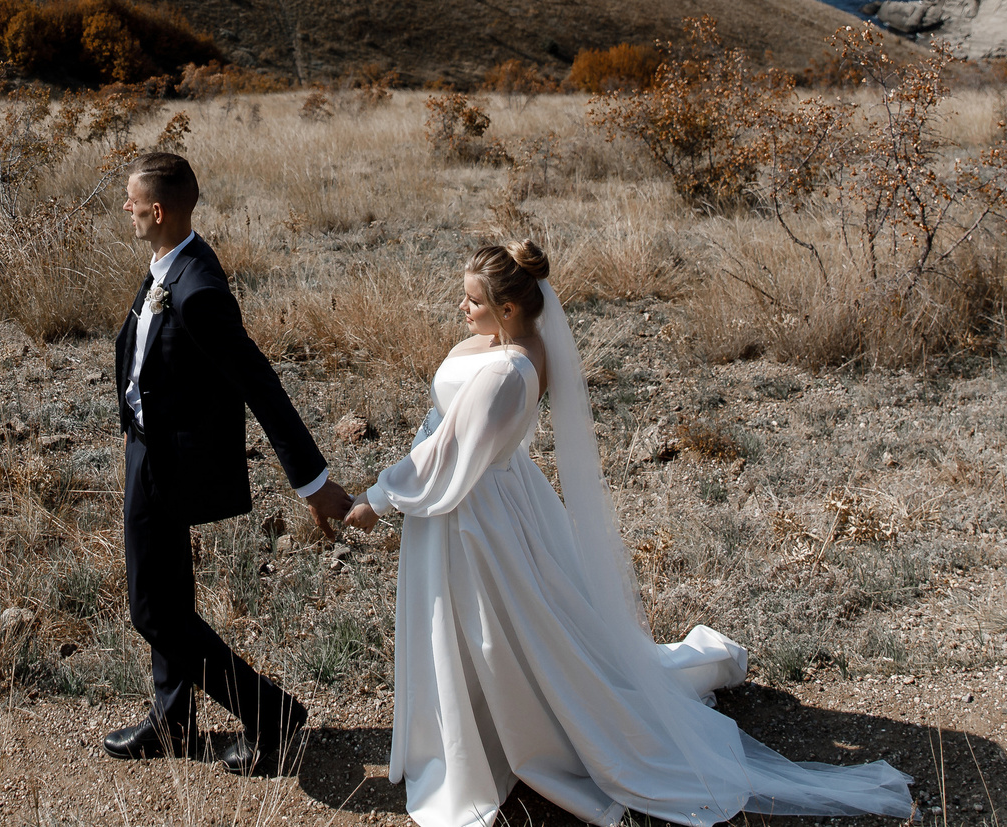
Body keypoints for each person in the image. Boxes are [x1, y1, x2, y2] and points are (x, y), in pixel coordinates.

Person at [344, 239, 915, 827]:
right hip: (498, 498)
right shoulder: (517, 345)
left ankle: (511, 737)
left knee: (496, 629)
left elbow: (450, 455)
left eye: (472, 301)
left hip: (476, 514)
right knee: (516, 627)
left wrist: (378, 500)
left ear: (509, 308)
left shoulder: (510, 370)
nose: (462, 310)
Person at [105, 151, 353, 779]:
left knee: (153, 610)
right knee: (170, 590)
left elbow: (260, 385)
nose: (126, 211)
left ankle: (273, 716)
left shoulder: (196, 289)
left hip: (168, 465)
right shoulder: (172, 261)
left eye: (132, 203)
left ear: (156, 210)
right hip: (146, 449)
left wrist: (313, 482)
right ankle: (172, 719)